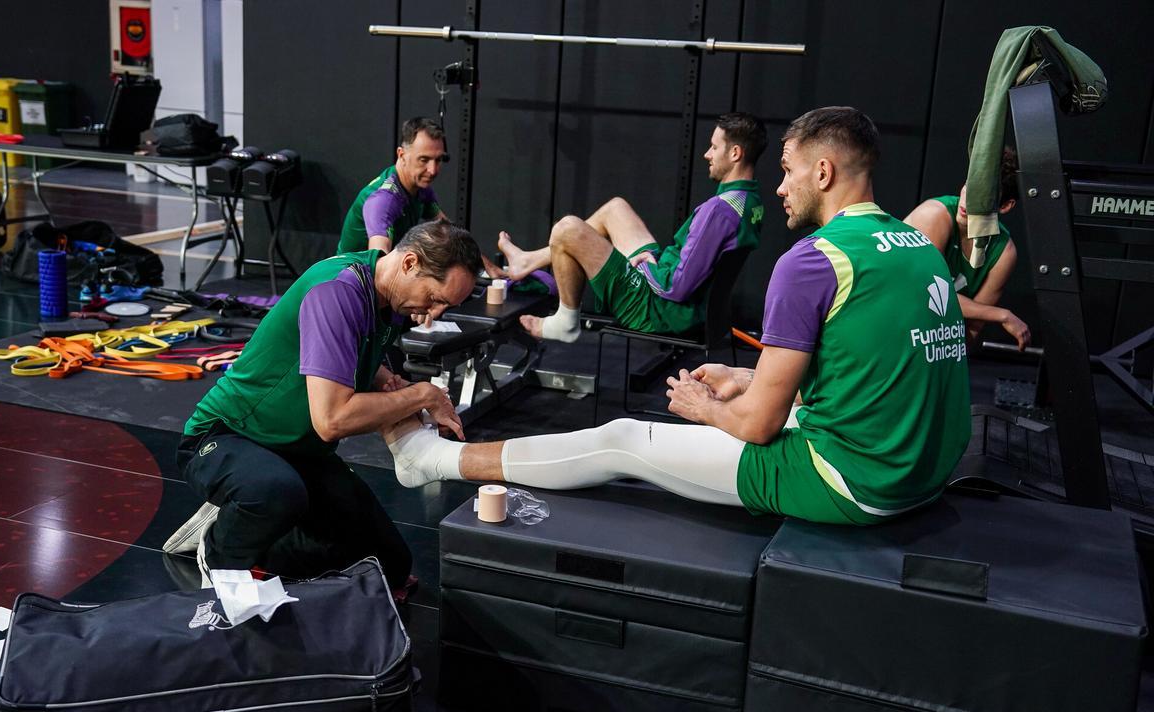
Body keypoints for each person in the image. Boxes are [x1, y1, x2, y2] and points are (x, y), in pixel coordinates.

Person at [385, 107, 971, 525]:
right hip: (922, 476)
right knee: (737, 402)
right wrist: (748, 377)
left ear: (823, 173)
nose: (783, 186)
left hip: (854, 484)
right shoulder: (920, 245)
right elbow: (872, 367)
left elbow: (760, 427)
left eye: (790, 171)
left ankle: (433, 458)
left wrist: (706, 408)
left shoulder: (813, 261)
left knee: (622, 441)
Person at [169, 220, 481, 589]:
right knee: (274, 492)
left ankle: (246, 527)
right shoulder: (337, 290)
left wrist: (382, 377)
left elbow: (352, 350)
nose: (435, 312)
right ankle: (219, 551)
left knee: (389, 567)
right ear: (410, 263)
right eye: (435, 297)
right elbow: (332, 421)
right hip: (229, 436)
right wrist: (424, 394)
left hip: (299, 450)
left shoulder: (389, 297)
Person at [497, 112, 767, 342]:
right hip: (678, 300)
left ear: (735, 153)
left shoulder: (718, 212)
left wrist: (645, 266)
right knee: (616, 208)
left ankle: (565, 321)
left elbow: (678, 288)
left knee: (567, 228)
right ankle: (529, 260)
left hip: (657, 310)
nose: (707, 154)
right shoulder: (750, 202)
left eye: (714, 147)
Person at [337, 116, 503, 279]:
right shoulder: (383, 200)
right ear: (401, 155)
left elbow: (451, 234)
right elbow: (378, 268)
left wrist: (487, 267)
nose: (432, 170)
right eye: (424, 160)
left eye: (438, 160)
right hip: (349, 285)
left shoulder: (420, 188)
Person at [904, 147, 1030, 350]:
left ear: (1005, 206)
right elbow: (924, 292)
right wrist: (1002, 315)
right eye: (968, 186)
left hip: (927, 342)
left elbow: (971, 329)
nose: (967, 200)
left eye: (982, 195)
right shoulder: (934, 215)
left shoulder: (1003, 254)